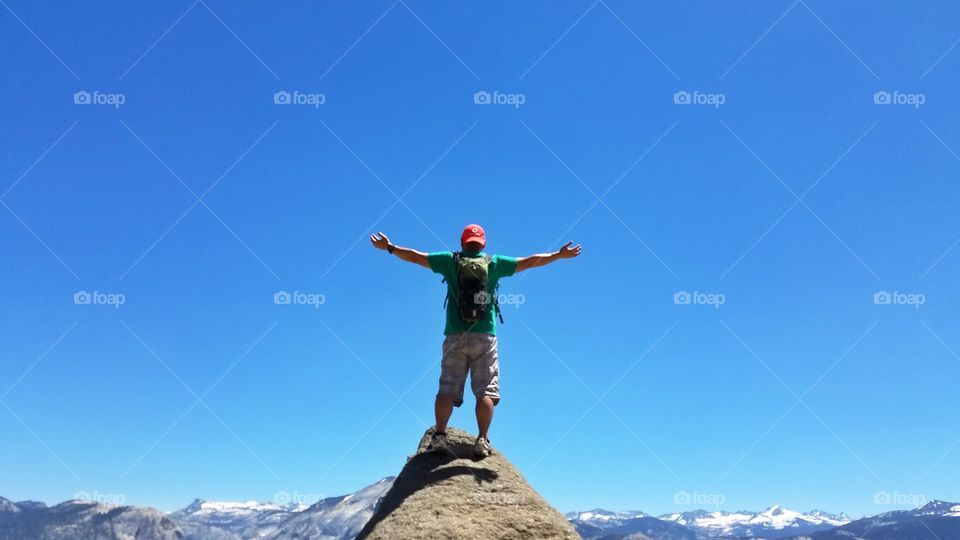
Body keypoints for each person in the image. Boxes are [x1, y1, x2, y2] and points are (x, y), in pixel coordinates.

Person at [370, 224, 581, 458]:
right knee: (486, 391)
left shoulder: (449, 260)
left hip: (455, 334)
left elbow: (416, 257)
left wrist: (389, 247)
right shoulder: (495, 263)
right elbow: (531, 261)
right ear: (484, 244)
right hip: (485, 334)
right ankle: (482, 439)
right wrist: (558, 256)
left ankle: (439, 436)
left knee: (447, 389)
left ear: (462, 242)